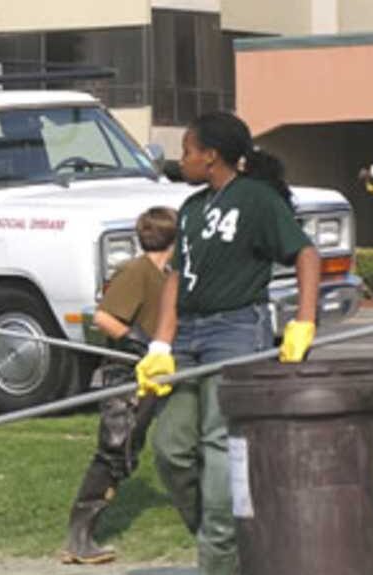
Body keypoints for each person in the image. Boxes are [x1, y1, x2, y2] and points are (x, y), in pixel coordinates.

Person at [136, 112, 320, 575]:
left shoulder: (257, 200)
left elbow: (306, 253)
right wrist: (160, 345)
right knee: (171, 448)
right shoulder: (194, 208)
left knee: (222, 447)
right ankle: (231, 547)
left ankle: (221, 561)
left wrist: (304, 321)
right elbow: (177, 278)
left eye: (186, 151)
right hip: (188, 337)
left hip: (237, 330)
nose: (183, 160)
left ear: (210, 155)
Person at [61, 207, 177, 565]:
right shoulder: (136, 271)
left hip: (156, 373)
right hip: (126, 375)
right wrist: (138, 342)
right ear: (174, 239)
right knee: (116, 450)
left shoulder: (168, 275)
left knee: (143, 450)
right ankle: (78, 538)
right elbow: (104, 318)